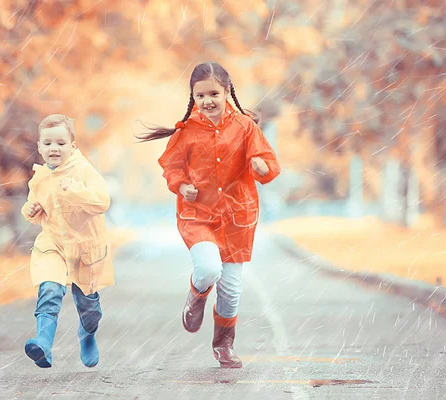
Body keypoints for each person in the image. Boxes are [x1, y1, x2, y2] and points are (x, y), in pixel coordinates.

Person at [136, 62, 280, 368]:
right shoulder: (187, 131)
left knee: (231, 290)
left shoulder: (245, 127)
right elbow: (172, 166)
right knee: (208, 270)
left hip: (237, 216)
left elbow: (267, 160)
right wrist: (181, 184)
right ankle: (196, 296)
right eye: (200, 95)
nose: (207, 101)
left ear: (227, 91)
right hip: (198, 215)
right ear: (193, 97)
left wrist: (262, 169)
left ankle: (223, 345)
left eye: (214, 93)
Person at [22, 114, 114, 368]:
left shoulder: (83, 170)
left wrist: (73, 189)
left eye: (61, 143)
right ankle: (43, 343)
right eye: (48, 143)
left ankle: (87, 333)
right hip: (53, 244)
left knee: (89, 306)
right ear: (40, 147)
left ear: (72, 146)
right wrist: (30, 210)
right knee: (50, 290)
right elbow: (39, 209)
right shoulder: (39, 178)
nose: (54, 148)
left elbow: (102, 202)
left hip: (85, 249)